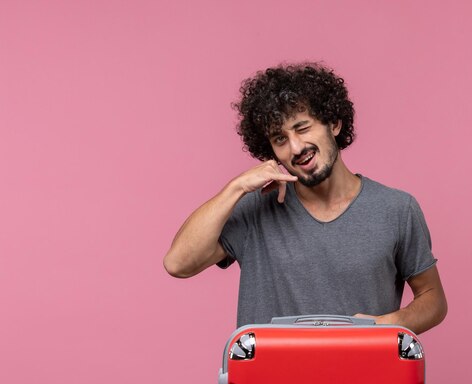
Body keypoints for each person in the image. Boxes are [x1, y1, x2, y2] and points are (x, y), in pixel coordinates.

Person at [163, 63, 447, 334]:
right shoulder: (255, 209)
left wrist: (387, 325)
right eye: (280, 139)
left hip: (363, 381)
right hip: (269, 382)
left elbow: (432, 299)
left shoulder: (396, 210)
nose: (296, 147)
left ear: (334, 124)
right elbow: (178, 263)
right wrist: (236, 187)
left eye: (302, 127)